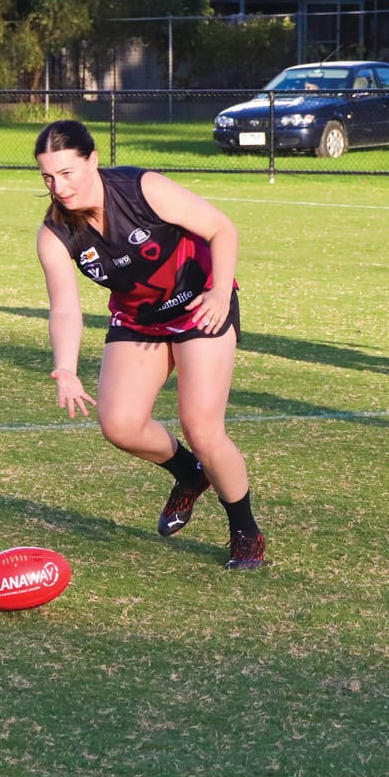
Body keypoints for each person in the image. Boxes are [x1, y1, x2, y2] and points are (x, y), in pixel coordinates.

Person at [34, 119, 265, 570]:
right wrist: (65, 367)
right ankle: (189, 475)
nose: (58, 187)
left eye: (67, 173)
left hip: (200, 302)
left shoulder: (142, 188)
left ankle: (245, 531)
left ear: (93, 161)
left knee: (201, 427)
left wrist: (220, 292)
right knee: (119, 424)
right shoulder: (55, 234)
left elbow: (222, 229)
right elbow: (65, 307)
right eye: (47, 177)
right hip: (139, 318)